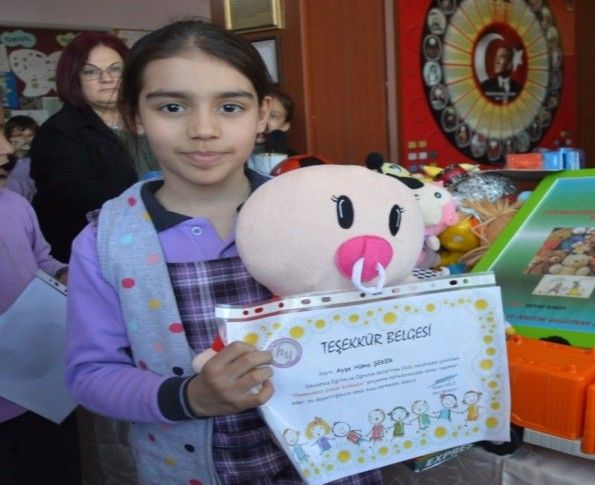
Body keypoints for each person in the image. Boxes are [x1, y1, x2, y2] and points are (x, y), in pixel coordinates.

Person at [65, 20, 382, 484]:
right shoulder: (105, 241)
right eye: (172, 107)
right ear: (135, 116)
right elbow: (91, 374)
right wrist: (190, 397)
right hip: (193, 470)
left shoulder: (320, 214)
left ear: (264, 114)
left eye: (230, 107)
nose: (203, 129)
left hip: (332, 461)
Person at [0, 114, 80, 484]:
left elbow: (41, 259)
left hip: (44, 389)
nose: (6, 150)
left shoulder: (16, 205)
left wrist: (69, 276)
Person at [30, 32, 138, 262]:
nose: (106, 78)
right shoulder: (58, 133)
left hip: (154, 241)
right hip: (93, 255)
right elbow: (91, 202)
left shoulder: (148, 118)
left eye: (115, 69)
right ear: (74, 79)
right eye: (91, 71)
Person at [3, 115, 39, 201]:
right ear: (8, 137)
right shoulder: (4, 160)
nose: (25, 140)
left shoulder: (39, 160)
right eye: (19, 135)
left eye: (30, 135)